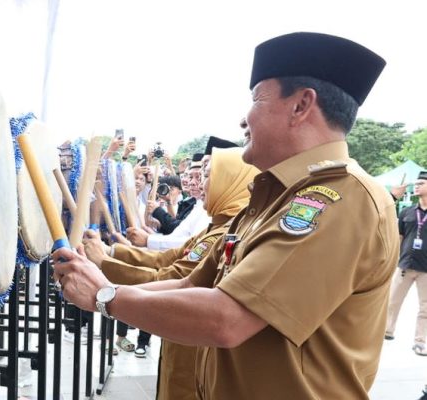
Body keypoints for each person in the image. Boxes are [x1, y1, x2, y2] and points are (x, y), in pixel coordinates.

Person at [52, 32, 397, 399]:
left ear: (300, 106)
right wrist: (107, 285)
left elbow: (227, 318)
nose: (243, 120)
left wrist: (106, 297)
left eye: (257, 99)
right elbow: (190, 284)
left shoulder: (339, 199)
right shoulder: (271, 199)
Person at [83, 147, 257, 399]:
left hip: (195, 348)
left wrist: (105, 274)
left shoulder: (223, 232)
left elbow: (170, 277)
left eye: (208, 176)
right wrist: (112, 253)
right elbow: (168, 258)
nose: (200, 185)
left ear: (230, 182)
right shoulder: (215, 226)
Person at [385, 171, 427, 356]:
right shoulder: (407, 212)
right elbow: (399, 238)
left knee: (425, 308)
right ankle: (387, 331)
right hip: (405, 266)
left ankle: (420, 341)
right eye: (416, 183)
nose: (416, 186)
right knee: (393, 302)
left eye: (421, 183)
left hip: (426, 270)